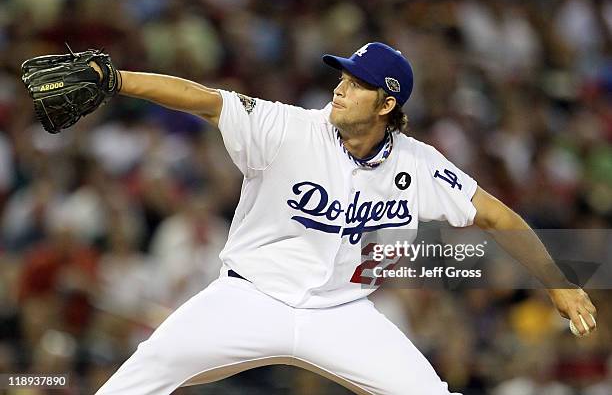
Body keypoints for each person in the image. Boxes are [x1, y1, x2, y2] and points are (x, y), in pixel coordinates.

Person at [94, 42, 597, 395]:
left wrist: (556, 280)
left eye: (357, 84)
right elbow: (204, 100)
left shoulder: (416, 164)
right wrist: (115, 80)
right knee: (143, 374)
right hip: (248, 297)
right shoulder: (289, 128)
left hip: (340, 313)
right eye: (343, 77)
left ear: (388, 103)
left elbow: (496, 216)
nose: (340, 89)